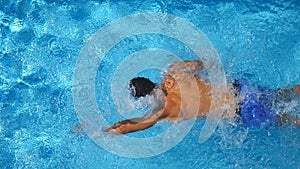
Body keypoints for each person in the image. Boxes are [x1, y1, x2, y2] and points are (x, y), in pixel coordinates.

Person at [105, 60, 300, 134]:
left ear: (145, 98)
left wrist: (102, 131)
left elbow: (129, 127)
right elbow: (205, 64)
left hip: (242, 112)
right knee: (282, 94)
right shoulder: (174, 72)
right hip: (240, 89)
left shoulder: (166, 110)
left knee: (288, 120)